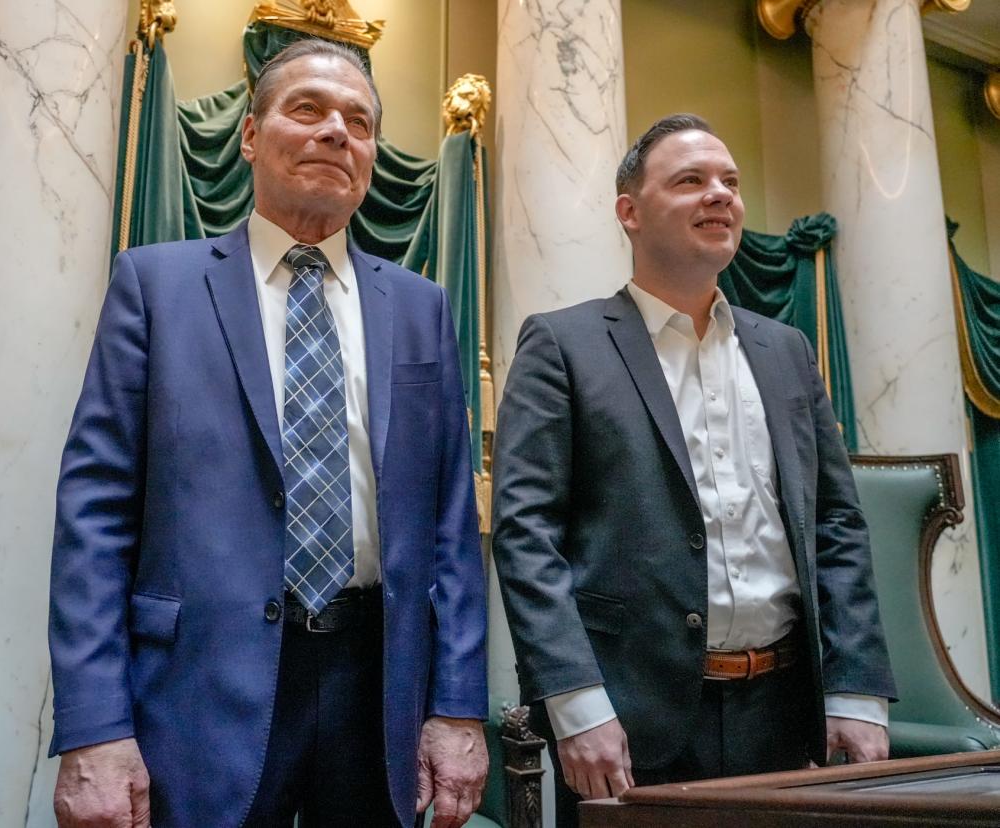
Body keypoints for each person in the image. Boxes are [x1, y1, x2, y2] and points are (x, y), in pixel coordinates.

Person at [47, 38, 488, 828]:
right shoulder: (156, 286)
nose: (335, 133)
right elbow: (94, 520)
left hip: (378, 692)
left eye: (358, 121)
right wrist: (94, 728)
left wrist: (457, 708)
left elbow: (453, 525)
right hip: (194, 695)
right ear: (250, 136)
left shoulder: (421, 308)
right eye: (307, 110)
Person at [491, 113, 896, 825]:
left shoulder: (787, 351)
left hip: (782, 713)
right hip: (626, 718)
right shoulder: (564, 345)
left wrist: (856, 690)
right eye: (691, 181)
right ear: (630, 212)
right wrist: (576, 705)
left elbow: (835, 523)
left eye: (731, 183)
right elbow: (527, 534)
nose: (720, 195)